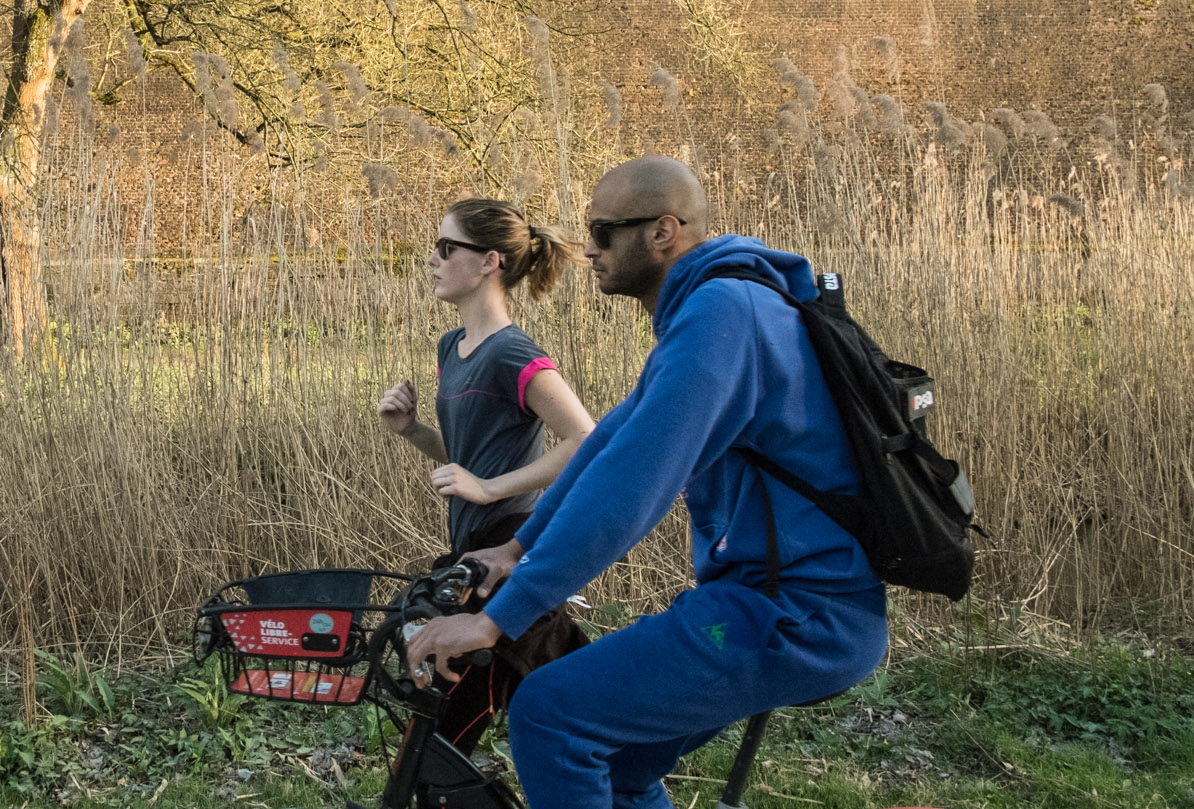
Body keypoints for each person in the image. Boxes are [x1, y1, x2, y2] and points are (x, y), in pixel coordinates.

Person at [405, 156, 889, 809]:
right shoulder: (721, 303)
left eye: (604, 232)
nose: (589, 250)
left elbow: (630, 490)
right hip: (769, 602)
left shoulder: (722, 316)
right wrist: (515, 551)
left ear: (664, 232)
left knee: (551, 712)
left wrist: (497, 620)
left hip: (792, 613)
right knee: (622, 765)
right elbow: (609, 442)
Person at [377, 198, 596, 755]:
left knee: (445, 730)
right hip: (472, 552)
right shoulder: (452, 348)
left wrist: (491, 489)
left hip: (507, 549)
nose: (432, 258)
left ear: (488, 262)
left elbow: (584, 439)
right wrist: (412, 430)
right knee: (550, 702)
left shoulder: (512, 352)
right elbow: (471, 453)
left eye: (448, 247)